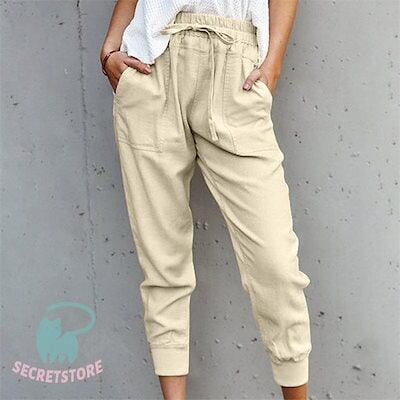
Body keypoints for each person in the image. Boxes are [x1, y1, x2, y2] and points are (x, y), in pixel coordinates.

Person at [100, 1, 312, 399]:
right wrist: (111, 45)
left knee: (276, 268)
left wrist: (273, 63)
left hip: (236, 65)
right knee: (163, 263)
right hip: (153, 63)